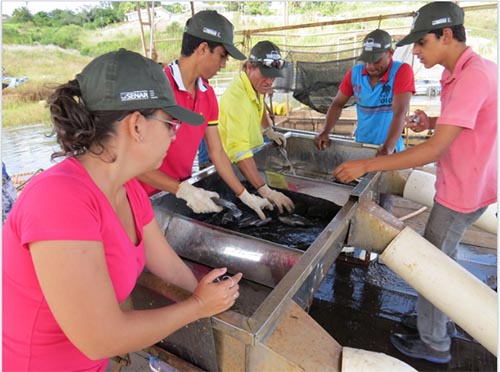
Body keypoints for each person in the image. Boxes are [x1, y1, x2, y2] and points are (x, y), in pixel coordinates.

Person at [2, 48, 243, 371]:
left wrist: (218, 300)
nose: (175, 134)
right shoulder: (59, 198)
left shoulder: (128, 189)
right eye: (170, 122)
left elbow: (169, 267)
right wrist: (197, 306)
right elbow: (100, 339)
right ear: (136, 126)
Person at [333, 2, 497, 364]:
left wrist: (366, 163)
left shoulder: (472, 76)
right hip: (475, 183)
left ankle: (435, 342)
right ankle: (440, 319)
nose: (417, 52)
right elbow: (464, 119)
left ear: (447, 35)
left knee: (434, 266)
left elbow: (433, 151)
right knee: (446, 259)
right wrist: (433, 120)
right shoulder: (465, 71)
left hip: (461, 193)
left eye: (421, 43)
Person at [138, 10, 272, 220]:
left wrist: (244, 194)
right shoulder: (157, 90)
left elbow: (216, 151)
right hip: (143, 197)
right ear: (202, 49)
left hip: (180, 194)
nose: (223, 64)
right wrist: (181, 189)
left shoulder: (207, 94)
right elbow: (134, 164)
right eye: (221, 55)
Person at [218, 41, 295, 214]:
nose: (270, 81)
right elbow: (240, 153)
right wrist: (265, 190)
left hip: (250, 159)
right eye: (265, 75)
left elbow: (260, 109)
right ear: (250, 67)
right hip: (232, 167)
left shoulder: (255, 86)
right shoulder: (236, 101)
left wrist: (268, 130)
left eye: (273, 76)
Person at [315, 28, 415, 156]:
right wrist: (325, 131)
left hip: (389, 149)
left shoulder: (401, 71)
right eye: (367, 61)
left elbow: (400, 111)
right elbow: (337, 104)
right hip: (361, 146)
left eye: (376, 61)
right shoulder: (355, 73)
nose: (370, 67)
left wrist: (387, 148)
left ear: (390, 53)